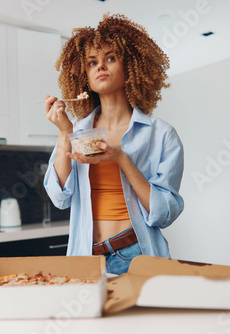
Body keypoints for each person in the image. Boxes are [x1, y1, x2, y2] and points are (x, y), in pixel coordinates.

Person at [43, 13, 184, 275]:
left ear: (130, 66)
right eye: (92, 62)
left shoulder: (161, 134)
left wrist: (121, 159)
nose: (100, 67)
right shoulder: (78, 131)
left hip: (135, 255)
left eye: (110, 58)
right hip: (85, 257)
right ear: (84, 74)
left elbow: (164, 214)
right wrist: (65, 132)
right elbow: (59, 196)